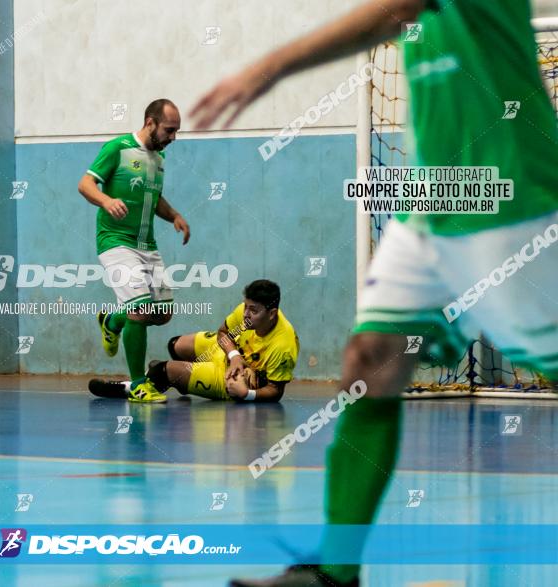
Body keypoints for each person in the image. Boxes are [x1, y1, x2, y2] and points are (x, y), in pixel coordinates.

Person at [190, 0, 558, 585]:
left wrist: (270, 67)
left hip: (513, 200)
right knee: (370, 361)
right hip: (436, 201)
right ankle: (336, 571)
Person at [78, 99, 191, 403]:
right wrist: (105, 200)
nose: (173, 137)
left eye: (177, 131)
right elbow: (85, 184)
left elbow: (154, 199)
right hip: (115, 241)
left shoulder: (159, 159)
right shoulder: (118, 148)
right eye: (169, 129)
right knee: (140, 311)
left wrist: (175, 216)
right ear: (150, 122)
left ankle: (111, 321)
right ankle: (139, 385)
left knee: (162, 313)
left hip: (146, 245)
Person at [90, 280, 298, 402]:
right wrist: (233, 355)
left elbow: (276, 390)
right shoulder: (245, 313)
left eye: (253, 310)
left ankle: (127, 387)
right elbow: (223, 332)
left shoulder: (283, 344)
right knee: (176, 345)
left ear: (272, 314)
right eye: (246, 307)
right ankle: (188, 375)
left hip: (230, 376)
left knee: (162, 371)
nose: (246, 314)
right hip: (228, 354)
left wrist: (247, 394)